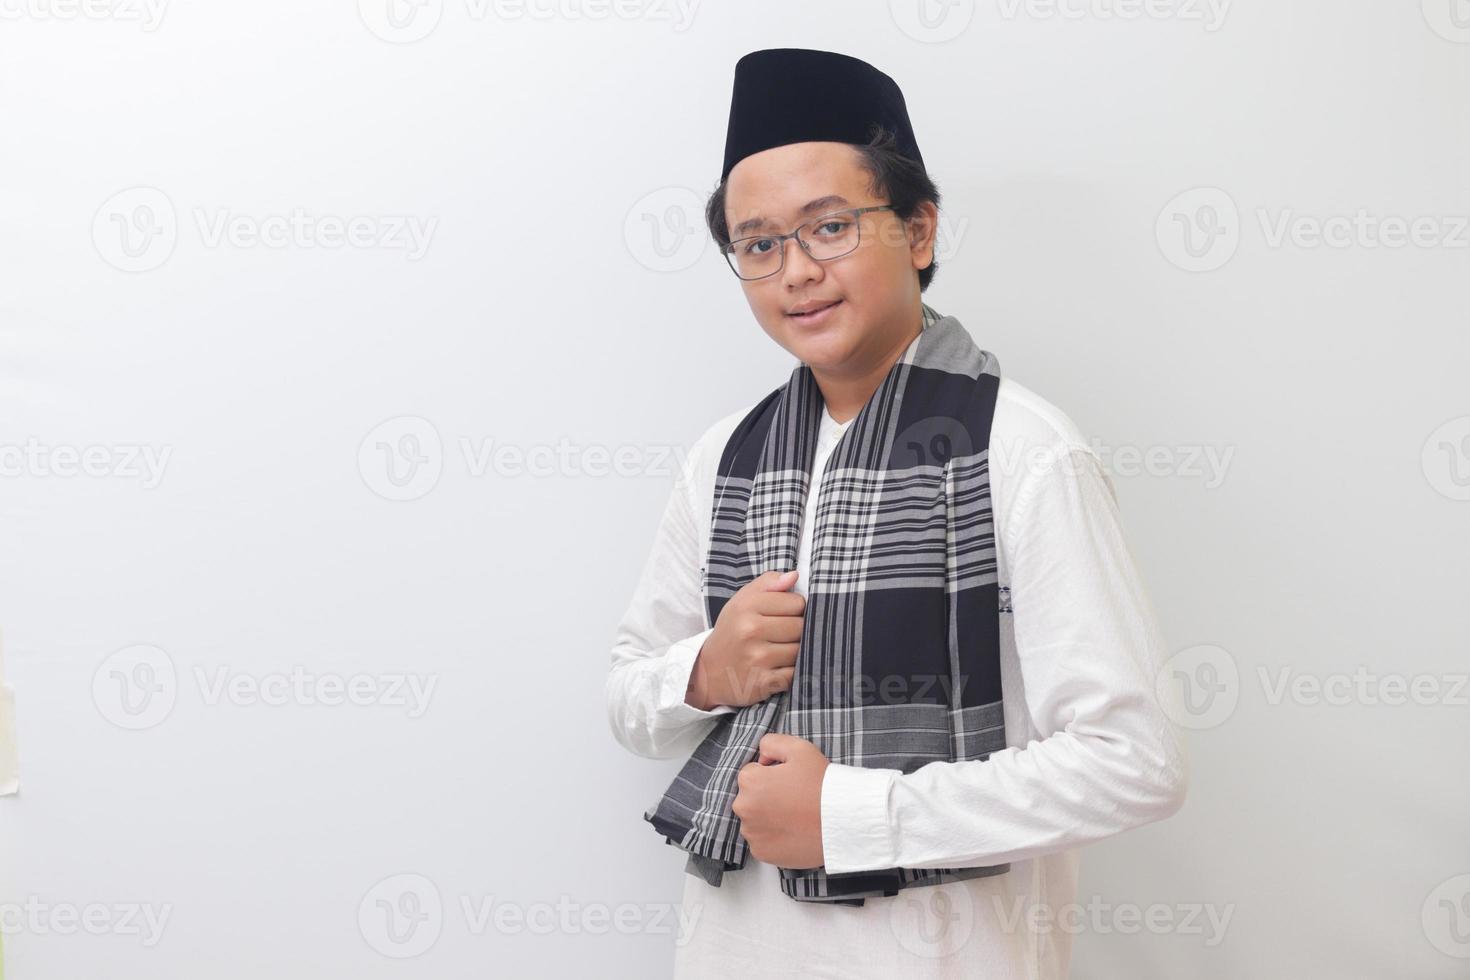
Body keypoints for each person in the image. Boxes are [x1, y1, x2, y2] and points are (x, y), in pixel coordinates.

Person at [606, 47, 1188, 979]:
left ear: (919, 231)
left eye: (829, 226)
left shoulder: (1024, 449)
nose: (796, 272)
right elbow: (629, 696)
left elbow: (1136, 760)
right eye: (758, 245)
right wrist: (706, 670)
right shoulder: (724, 460)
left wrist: (850, 815)